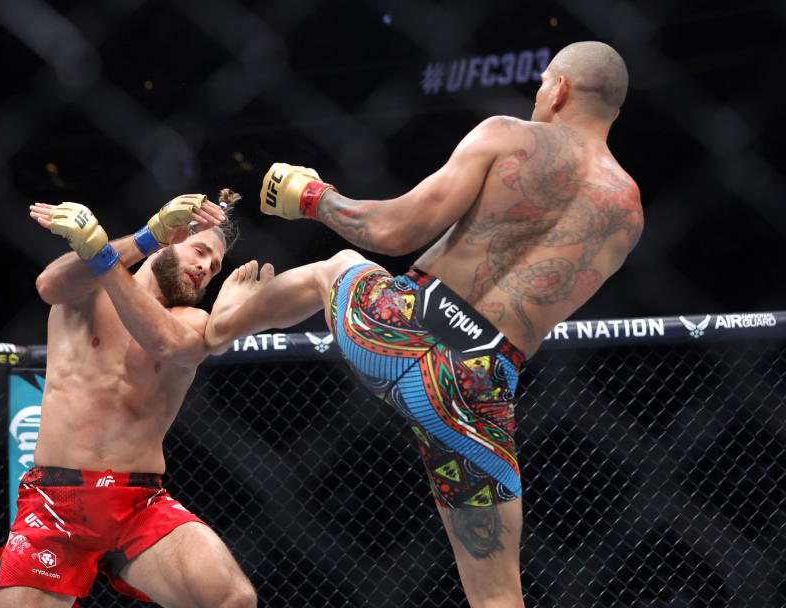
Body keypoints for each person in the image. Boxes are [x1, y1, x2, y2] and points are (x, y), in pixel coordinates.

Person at [206, 41, 643, 607]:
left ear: (558, 89)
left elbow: (394, 232)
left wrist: (312, 197)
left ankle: (220, 328)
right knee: (497, 596)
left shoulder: (509, 134)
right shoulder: (627, 212)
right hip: (477, 386)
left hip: (398, 325)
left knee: (335, 268)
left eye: (542, 83)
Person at [0, 190, 257, 607]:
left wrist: (102, 256)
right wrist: (146, 238)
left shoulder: (194, 320)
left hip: (139, 503)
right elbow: (49, 284)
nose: (206, 268)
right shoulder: (88, 290)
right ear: (172, 236)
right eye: (200, 251)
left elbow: (168, 344)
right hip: (57, 501)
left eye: (215, 267)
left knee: (231, 599)